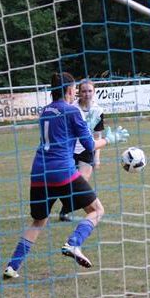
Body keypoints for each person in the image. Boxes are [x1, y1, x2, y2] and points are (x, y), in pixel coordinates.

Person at [3, 72, 129, 279]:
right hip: (61, 172)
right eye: (75, 90)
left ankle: (12, 266)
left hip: (38, 173)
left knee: (38, 222)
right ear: (70, 90)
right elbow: (89, 145)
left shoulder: (45, 111)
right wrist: (110, 139)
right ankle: (73, 243)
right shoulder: (72, 111)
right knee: (97, 210)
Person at [58, 79, 105, 222]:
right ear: (78, 92)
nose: (87, 94)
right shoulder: (71, 108)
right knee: (67, 183)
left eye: (90, 91)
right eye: (84, 91)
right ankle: (66, 207)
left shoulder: (98, 110)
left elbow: (97, 135)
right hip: (70, 149)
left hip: (87, 150)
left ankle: (65, 210)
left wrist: (97, 157)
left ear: (94, 91)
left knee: (81, 184)